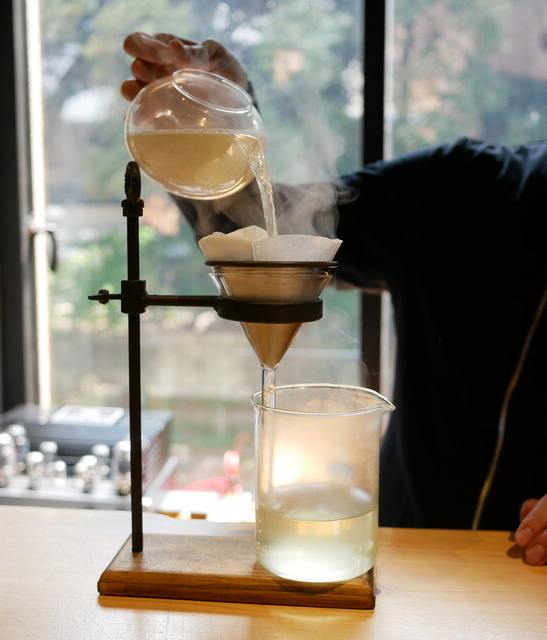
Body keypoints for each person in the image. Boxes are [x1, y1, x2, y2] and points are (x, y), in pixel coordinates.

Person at [121, 32, 547, 565]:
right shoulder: (462, 187)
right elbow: (274, 234)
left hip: (531, 581)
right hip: (405, 556)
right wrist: (221, 122)